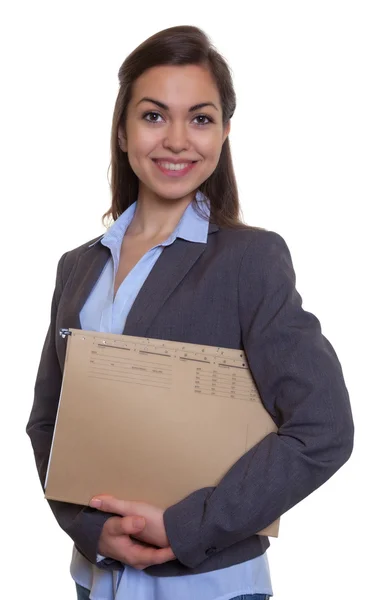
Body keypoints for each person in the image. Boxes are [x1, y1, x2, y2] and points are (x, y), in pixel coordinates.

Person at [26, 24, 354, 600]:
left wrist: (185, 528)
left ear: (224, 133)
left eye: (200, 118)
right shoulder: (75, 268)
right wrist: (95, 529)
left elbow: (322, 428)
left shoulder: (250, 260)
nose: (177, 139)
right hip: (96, 581)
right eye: (153, 116)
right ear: (123, 134)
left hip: (210, 587)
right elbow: (49, 425)